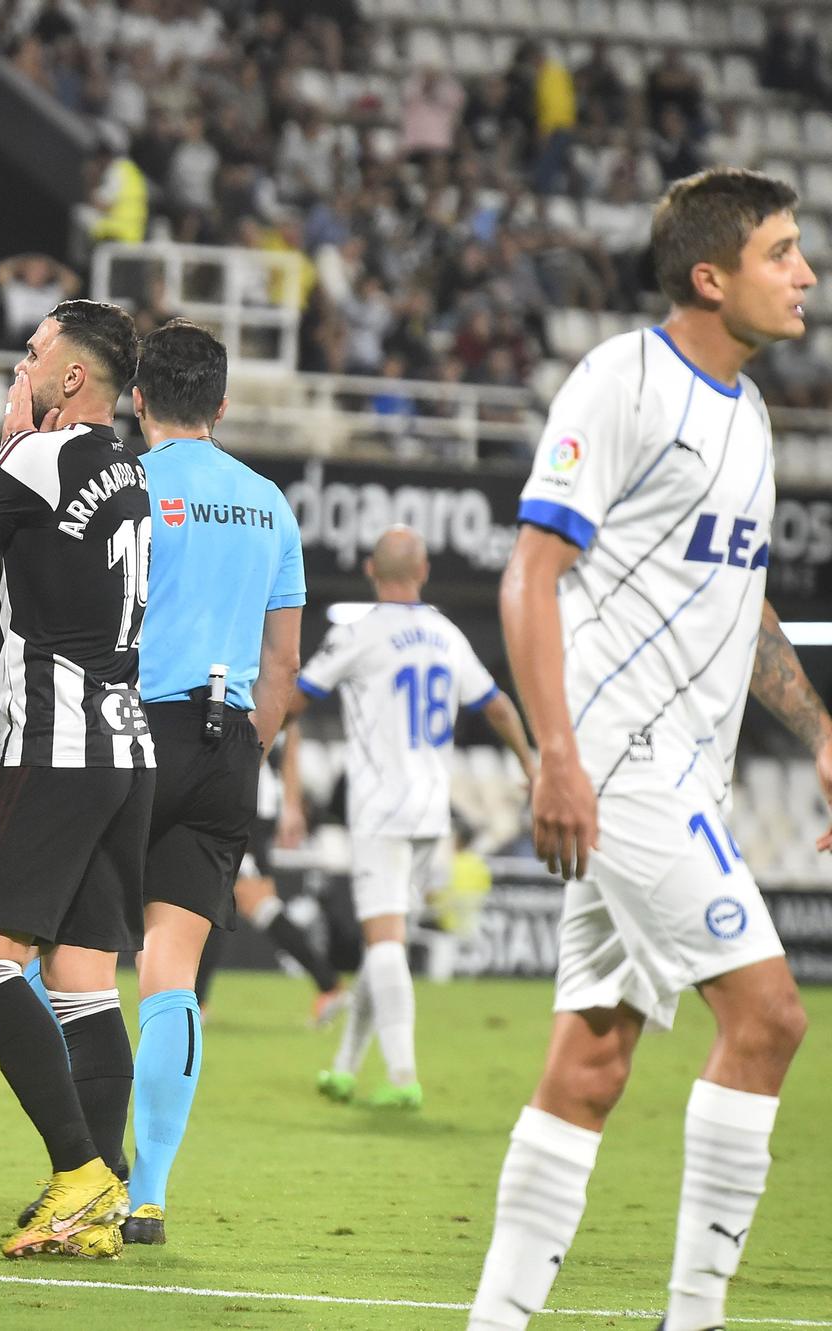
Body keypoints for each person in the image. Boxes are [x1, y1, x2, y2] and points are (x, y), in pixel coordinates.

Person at [467, 168, 824, 1331]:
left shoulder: (749, 416)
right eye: (781, 252)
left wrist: (818, 725)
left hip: (684, 773)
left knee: (592, 1058)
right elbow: (530, 569)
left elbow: (740, 597)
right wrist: (556, 758)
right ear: (710, 276)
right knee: (767, 1015)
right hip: (616, 763)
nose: (805, 274)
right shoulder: (620, 379)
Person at [33, 317, 296, 1248]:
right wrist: (241, 757)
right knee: (171, 977)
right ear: (221, 406)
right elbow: (284, 669)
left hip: (128, 732)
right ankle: (148, 1193)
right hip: (227, 746)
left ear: (137, 400)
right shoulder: (270, 503)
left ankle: (83, 1166)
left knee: (45, 962)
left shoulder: (129, 483)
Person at [0, 299, 151, 1260]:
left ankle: (79, 1170)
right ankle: (102, 1191)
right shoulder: (126, 471)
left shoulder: (37, 456)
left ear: (69, 381)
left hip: (52, 742)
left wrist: (2, 450)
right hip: (126, 748)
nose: (18, 368)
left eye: (30, 354)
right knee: (85, 982)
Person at [291, 527, 535, 1110]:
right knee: (388, 941)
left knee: (385, 943)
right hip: (433, 812)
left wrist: (246, 741)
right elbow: (496, 705)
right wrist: (533, 764)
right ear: (423, 570)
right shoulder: (446, 634)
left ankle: (402, 1076)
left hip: (381, 809)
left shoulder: (358, 634)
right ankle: (346, 1067)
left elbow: (298, 697)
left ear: (372, 571)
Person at [190, 720, 347, 1026]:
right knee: (228, 899)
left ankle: (329, 984)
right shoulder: (274, 683)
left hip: (247, 804)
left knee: (245, 900)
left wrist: (292, 806)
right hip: (251, 802)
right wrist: (290, 805)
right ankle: (197, 1001)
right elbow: (292, 744)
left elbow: (289, 744)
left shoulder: (249, 679)